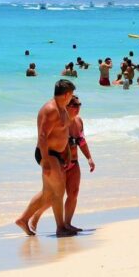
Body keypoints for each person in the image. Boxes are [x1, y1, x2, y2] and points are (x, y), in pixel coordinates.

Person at [15, 79, 78, 238]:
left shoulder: (61, 108)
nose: (72, 98)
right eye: (71, 95)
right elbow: (42, 136)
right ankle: (60, 228)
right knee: (58, 192)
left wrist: (67, 153)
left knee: (48, 194)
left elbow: (63, 133)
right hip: (48, 154)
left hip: (56, 154)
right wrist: (46, 161)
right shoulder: (50, 109)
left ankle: (23, 219)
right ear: (67, 94)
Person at [31, 95, 95, 233]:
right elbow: (46, 138)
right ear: (66, 106)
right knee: (53, 197)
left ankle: (67, 224)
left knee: (73, 193)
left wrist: (89, 157)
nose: (77, 108)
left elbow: (81, 141)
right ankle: (36, 216)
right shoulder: (60, 121)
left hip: (74, 163)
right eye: (74, 105)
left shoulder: (78, 121)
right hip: (60, 162)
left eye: (79, 105)